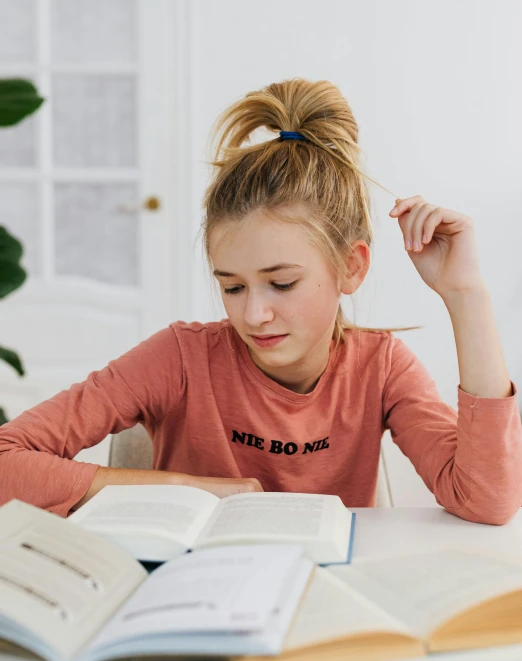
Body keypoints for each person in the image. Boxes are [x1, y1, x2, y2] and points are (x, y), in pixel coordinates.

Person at [0, 78, 520, 523]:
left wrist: (465, 295)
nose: (253, 315)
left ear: (352, 267)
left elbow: (487, 501)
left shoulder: (381, 369)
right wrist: (185, 489)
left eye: (283, 283)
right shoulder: (180, 359)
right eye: (232, 287)